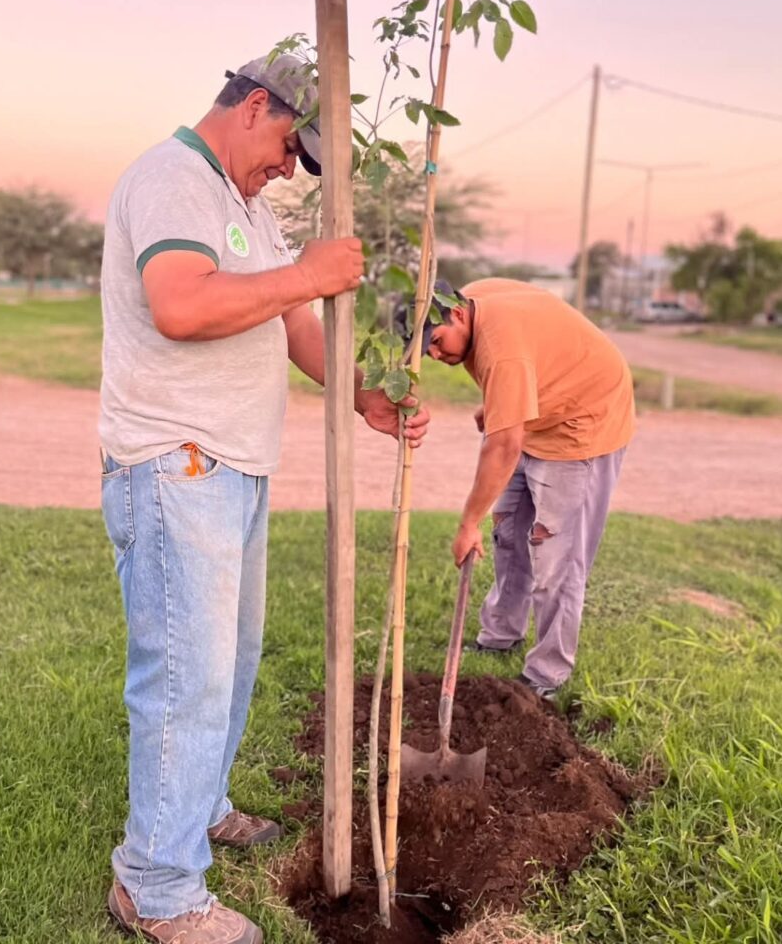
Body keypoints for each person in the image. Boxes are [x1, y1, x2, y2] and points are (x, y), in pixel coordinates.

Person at [98, 53, 430, 944]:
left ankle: (197, 807)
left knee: (228, 668)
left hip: (232, 468)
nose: (290, 169)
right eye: (291, 147)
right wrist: (311, 273)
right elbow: (180, 304)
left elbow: (291, 324)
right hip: (177, 463)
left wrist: (361, 391)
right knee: (185, 680)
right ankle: (158, 889)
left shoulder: (244, 207)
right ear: (254, 106)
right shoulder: (173, 180)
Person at [421, 277, 634, 701]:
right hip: (540, 414)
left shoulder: (504, 354)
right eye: (426, 347)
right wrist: (506, 400)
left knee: (558, 559)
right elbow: (542, 319)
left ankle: (546, 675)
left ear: (459, 314)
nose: (434, 353)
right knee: (509, 533)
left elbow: (502, 444)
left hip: (581, 423)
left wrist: (467, 523)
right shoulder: (472, 296)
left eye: (438, 341)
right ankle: (502, 632)